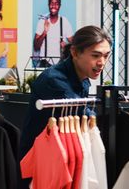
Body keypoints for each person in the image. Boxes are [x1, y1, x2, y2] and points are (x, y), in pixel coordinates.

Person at [19, 25, 111, 186]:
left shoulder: (83, 79)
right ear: (75, 52)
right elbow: (85, 115)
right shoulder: (53, 80)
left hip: (66, 159)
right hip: (41, 167)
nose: (102, 62)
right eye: (96, 55)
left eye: (106, 56)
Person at [33, 0, 73, 65]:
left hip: (60, 63)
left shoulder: (65, 21)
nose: (54, 6)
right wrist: (44, 32)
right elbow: (36, 47)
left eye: (56, 3)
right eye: (51, 3)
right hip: (45, 63)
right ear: (48, 5)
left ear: (59, 6)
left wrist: (66, 46)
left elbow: (75, 44)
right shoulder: (42, 21)